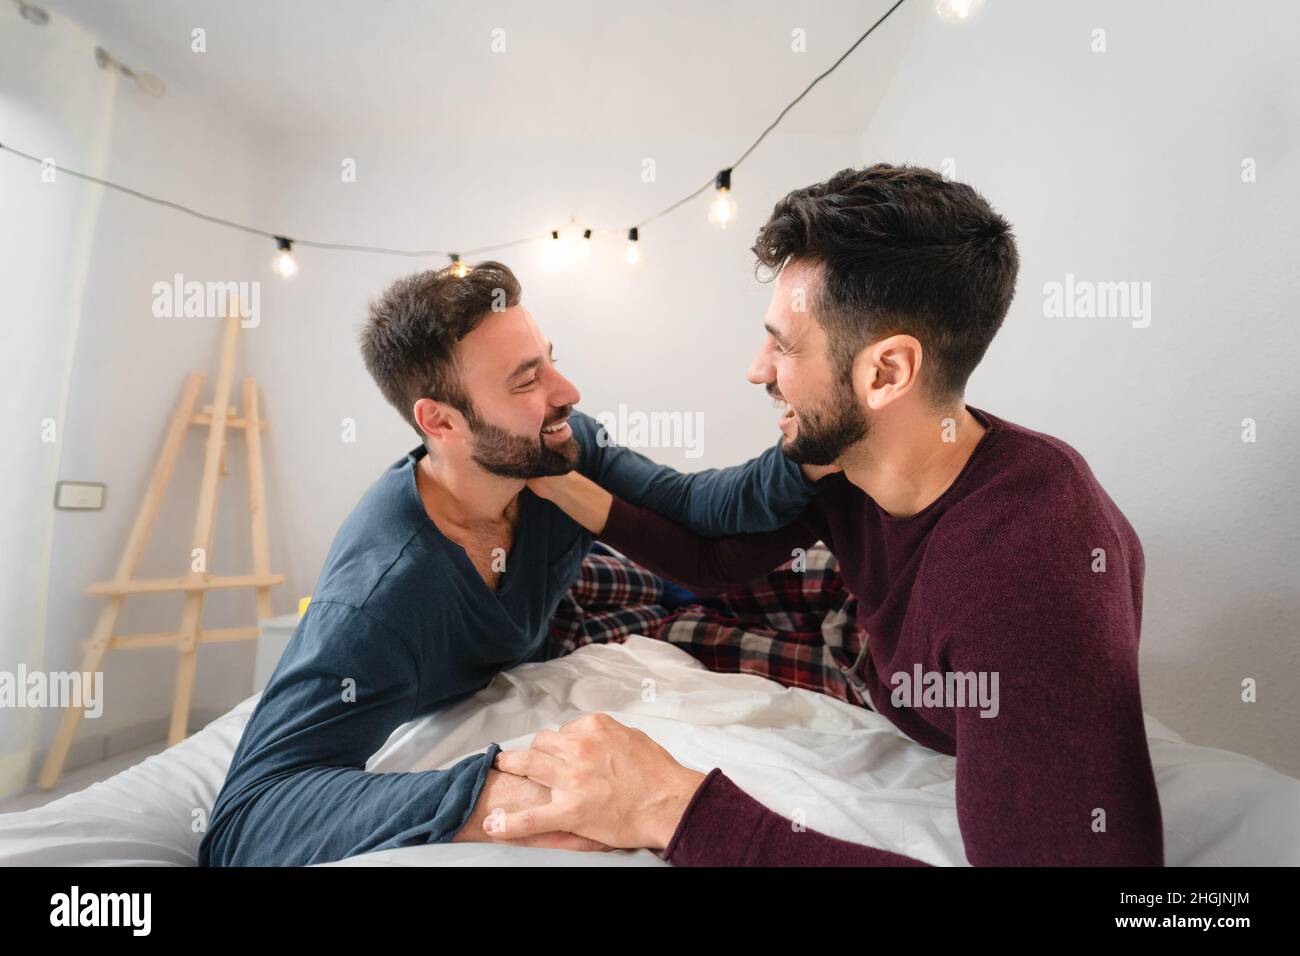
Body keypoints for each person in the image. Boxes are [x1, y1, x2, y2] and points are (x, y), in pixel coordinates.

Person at [490, 164, 1165, 867]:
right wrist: (564, 487)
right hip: (872, 658)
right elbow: (714, 563)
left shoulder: (1030, 562)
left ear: (885, 373)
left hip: (890, 675)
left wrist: (671, 807)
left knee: (673, 626)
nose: (758, 371)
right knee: (649, 610)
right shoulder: (845, 456)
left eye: (783, 344)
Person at [197, 261, 817, 866]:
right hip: (539, 629)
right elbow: (247, 820)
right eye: (526, 382)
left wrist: (813, 449)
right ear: (440, 421)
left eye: (551, 360)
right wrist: (491, 795)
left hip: (566, 605)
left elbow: (695, 506)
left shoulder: (563, 445)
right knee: (710, 624)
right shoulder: (381, 600)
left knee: (784, 585)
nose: (567, 393)